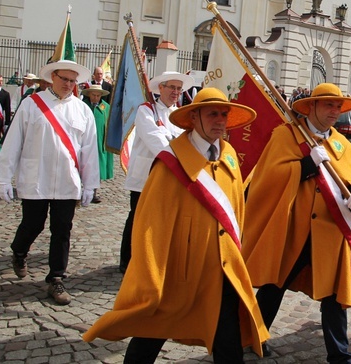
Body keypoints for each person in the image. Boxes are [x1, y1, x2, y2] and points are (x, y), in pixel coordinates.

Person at [84, 87, 269, 363]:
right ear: (194, 117)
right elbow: (149, 224)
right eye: (212, 114)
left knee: (227, 338)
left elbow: (235, 209)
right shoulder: (171, 161)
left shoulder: (228, 154)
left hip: (222, 270)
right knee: (152, 329)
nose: (220, 120)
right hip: (179, 269)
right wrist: (151, 275)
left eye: (223, 114)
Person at [242, 83, 351, 363]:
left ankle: (340, 354)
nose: (334, 111)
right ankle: (253, 336)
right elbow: (267, 179)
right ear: (311, 107)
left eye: (338, 106)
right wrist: (307, 165)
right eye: (328, 105)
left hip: (331, 228)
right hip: (294, 225)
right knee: (276, 284)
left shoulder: (342, 144)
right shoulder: (286, 135)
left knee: (335, 292)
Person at [0, 60, 100, 305]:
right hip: (35, 177)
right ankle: (19, 252)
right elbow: (13, 141)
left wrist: (90, 184)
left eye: (73, 81)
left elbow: (89, 150)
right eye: (64, 79)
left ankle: (56, 278)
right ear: (53, 77)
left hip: (67, 180)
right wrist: (3, 178)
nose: (68, 85)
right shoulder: (31, 104)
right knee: (32, 224)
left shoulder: (82, 110)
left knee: (62, 230)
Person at [119, 71, 196, 273]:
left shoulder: (180, 115)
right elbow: (155, 139)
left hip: (169, 176)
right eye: (172, 87)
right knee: (137, 216)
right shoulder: (146, 110)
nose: (175, 92)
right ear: (160, 88)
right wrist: (178, 154)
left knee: (160, 218)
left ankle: (151, 257)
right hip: (145, 175)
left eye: (179, 89)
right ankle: (127, 260)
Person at [81, 84, 113, 203]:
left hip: (99, 142)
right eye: (94, 95)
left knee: (97, 166)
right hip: (85, 141)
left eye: (98, 95)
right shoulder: (83, 106)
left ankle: (93, 192)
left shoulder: (105, 107)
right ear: (89, 94)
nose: (96, 98)